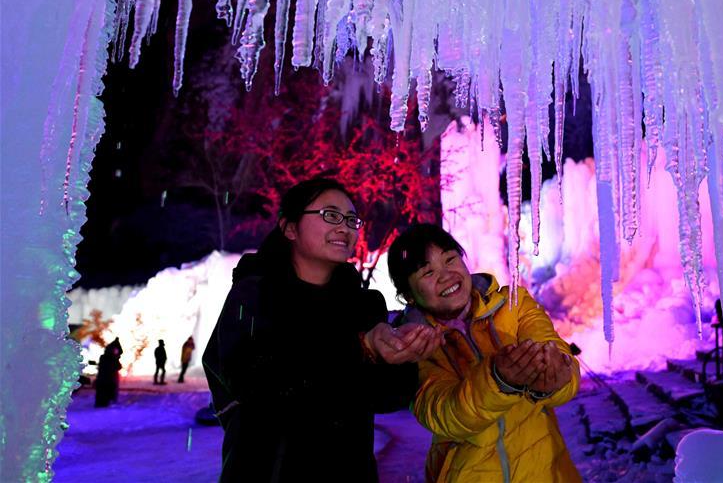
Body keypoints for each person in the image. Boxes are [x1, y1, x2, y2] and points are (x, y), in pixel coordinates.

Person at [203, 178, 442, 483]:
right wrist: (359, 348)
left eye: (352, 219)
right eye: (330, 215)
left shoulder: (363, 305)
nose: (345, 227)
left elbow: (385, 398)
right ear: (290, 228)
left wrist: (403, 356)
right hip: (270, 470)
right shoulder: (254, 296)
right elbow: (256, 382)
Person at [389, 224, 582, 483]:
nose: (446, 276)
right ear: (408, 296)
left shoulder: (514, 304)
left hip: (546, 471)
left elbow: (557, 355)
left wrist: (556, 378)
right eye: (428, 272)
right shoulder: (414, 349)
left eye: (450, 259)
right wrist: (497, 380)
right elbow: (445, 415)